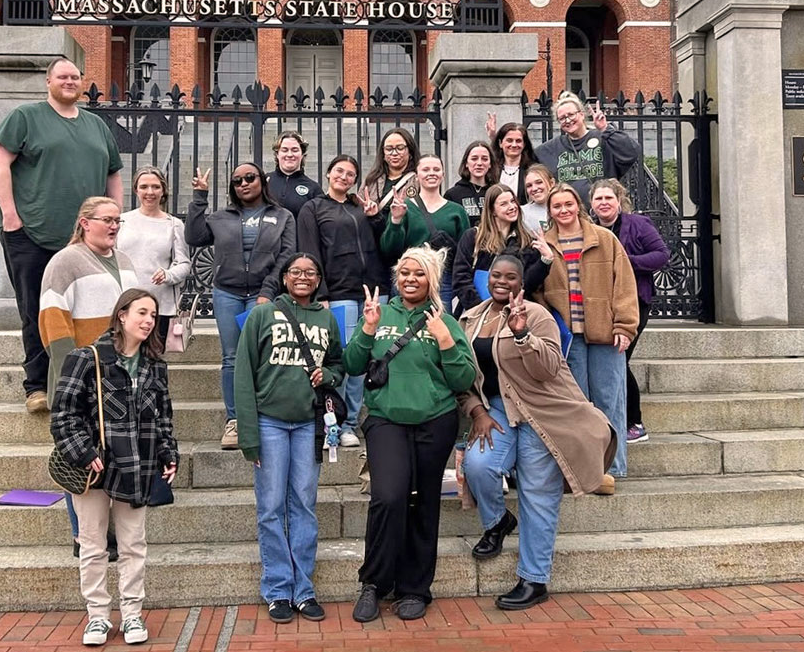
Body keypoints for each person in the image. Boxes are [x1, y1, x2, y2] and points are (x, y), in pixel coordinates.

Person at [458, 255, 617, 611]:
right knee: (479, 466)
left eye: (510, 277)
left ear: (521, 282)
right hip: (497, 410)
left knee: (537, 494)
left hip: (542, 411)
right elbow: (461, 376)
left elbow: (546, 370)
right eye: (496, 275)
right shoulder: (470, 318)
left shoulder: (538, 315)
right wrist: (477, 411)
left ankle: (534, 579)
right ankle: (498, 522)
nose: (502, 282)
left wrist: (521, 334)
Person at [343, 246, 476, 623]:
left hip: (435, 421)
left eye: (418, 273)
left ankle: (415, 588)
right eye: (404, 273)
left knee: (422, 503)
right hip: (386, 419)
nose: (410, 279)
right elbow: (353, 363)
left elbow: (463, 378)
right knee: (388, 497)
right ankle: (373, 583)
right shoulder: (379, 313)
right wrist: (368, 329)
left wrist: (446, 341)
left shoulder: (444, 321)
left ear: (431, 279)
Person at [0, 57, 123, 413]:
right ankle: (37, 386)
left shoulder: (96, 125)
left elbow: (113, 175)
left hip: (85, 241)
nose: (69, 81)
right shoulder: (26, 118)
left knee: (89, 309)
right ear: (48, 81)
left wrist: (113, 218)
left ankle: (82, 381)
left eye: (75, 77)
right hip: (32, 232)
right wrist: (11, 217)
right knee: (36, 309)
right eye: (62, 76)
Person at [50, 288, 177, 647]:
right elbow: (63, 415)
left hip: (137, 465)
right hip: (95, 468)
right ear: (121, 315)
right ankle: (98, 617)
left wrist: (169, 455)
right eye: (141, 312)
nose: (148, 320)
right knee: (92, 544)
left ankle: (133, 613)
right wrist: (83, 450)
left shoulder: (156, 366)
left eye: (153, 315)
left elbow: (163, 419)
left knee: (134, 543)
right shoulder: (87, 358)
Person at [234, 253, 345, 623]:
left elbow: (338, 364)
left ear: (317, 281)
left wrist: (327, 378)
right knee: (270, 507)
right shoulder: (263, 315)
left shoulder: (326, 318)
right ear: (284, 278)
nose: (303, 277)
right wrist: (248, 433)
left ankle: (304, 589)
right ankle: (278, 589)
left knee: (304, 503)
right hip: (269, 423)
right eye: (296, 272)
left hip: (307, 425)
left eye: (310, 272)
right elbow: (243, 374)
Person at [39, 195, 141, 557]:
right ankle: (84, 536)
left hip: (119, 377)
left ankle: (107, 531)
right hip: (82, 377)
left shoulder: (125, 261)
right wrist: (74, 374)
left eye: (118, 220)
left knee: (111, 454)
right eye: (107, 219)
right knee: (80, 456)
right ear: (84, 222)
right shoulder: (65, 262)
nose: (114, 226)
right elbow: (53, 319)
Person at [185, 161, 295, 449]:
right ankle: (235, 421)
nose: (244, 183)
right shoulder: (221, 217)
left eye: (250, 177)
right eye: (237, 181)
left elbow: (287, 257)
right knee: (232, 357)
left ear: (262, 180)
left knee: (266, 355)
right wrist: (200, 197)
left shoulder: (282, 216)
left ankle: (264, 414)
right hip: (228, 294)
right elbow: (194, 237)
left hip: (263, 292)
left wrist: (268, 292)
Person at [536, 184, 639, 489]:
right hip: (570, 338)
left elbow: (624, 285)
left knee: (610, 400)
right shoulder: (545, 244)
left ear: (577, 205)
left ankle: (614, 467)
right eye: (557, 206)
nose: (563, 211)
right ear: (550, 211)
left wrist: (624, 325)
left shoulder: (604, 239)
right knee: (577, 405)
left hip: (605, 334)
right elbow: (538, 291)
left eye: (568, 204)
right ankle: (583, 469)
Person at [296, 155, 387, 448]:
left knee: (367, 358)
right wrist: (319, 294)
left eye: (350, 174)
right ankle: (338, 421)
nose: (344, 177)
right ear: (327, 174)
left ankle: (354, 421)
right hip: (339, 291)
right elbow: (309, 252)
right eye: (339, 171)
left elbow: (383, 243)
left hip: (373, 289)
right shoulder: (313, 208)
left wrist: (375, 216)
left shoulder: (360, 207)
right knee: (346, 358)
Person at [590, 178, 670, 444]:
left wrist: (626, 261)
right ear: (591, 203)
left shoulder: (638, 224)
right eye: (598, 199)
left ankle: (635, 422)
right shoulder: (591, 229)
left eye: (608, 198)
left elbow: (661, 255)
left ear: (619, 200)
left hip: (635, 301)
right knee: (612, 361)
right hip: (602, 304)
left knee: (619, 360)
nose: (603, 203)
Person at [379, 153, 469, 309]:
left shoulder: (457, 211)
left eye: (436, 169)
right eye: (426, 169)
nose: (431, 173)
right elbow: (389, 250)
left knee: (440, 324)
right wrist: (396, 220)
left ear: (443, 174)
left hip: (442, 279)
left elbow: (465, 252)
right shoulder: (404, 207)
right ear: (417, 175)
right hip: (409, 276)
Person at [117, 166, 192, 344]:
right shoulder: (122, 221)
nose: (149, 192)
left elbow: (184, 263)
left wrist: (168, 274)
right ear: (136, 190)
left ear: (163, 190)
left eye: (155, 187)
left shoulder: (174, 224)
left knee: (154, 360)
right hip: (124, 303)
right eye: (144, 187)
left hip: (159, 307)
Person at [452, 184, 554, 314]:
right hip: (476, 312)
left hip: (513, 313)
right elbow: (460, 279)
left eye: (513, 201)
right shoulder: (473, 237)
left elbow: (527, 284)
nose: (512, 207)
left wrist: (545, 261)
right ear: (492, 210)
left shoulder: (525, 241)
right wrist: (481, 310)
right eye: (504, 204)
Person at [535, 92, 641, 207]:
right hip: (570, 214)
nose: (567, 120)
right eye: (562, 118)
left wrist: (605, 129)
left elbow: (632, 151)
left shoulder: (604, 138)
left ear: (581, 114)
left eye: (571, 115)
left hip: (603, 211)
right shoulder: (550, 148)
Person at [360, 127, 419, 236]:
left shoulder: (418, 179)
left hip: (406, 239)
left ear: (410, 151)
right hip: (375, 239)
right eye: (389, 148)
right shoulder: (371, 180)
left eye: (400, 148)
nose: (394, 153)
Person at [265, 131, 323, 221]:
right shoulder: (264, 181)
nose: (289, 155)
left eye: (295, 150)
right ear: (277, 154)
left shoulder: (313, 188)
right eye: (284, 150)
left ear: (302, 154)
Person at [444, 140, 499, 228]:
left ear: (490, 164)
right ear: (466, 163)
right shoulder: (452, 194)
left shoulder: (498, 192)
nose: (479, 163)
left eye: (484, 159)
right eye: (474, 159)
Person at [485, 115, 538, 204]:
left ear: (524, 144)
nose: (514, 145)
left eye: (518, 141)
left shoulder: (532, 169)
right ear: (500, 143)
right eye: (509, 140)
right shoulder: (491, 169)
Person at [521, 163, 555, 234]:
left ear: (552, 183)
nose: (534, 188)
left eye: (539, 182)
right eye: (529, 185)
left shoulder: (565, 207)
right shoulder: (522, 213)